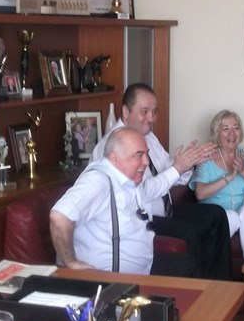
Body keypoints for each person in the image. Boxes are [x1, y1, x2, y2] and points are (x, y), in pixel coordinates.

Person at [92, 84, 231, 279]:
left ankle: (221, 287)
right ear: (126, 111)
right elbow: (141, 192)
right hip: (140, 219)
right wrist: (177, 168)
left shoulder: (148, 137)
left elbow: (169, 171)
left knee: (216, 215)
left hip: (166, 210)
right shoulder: (111, 147)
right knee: (189, 233)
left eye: (154, 112)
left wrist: (188, 163)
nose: (151, 118)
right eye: (145, 111)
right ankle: (198, 292)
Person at [49, 127, 195, 276]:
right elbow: (59, 216)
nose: (146, 162)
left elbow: (154, 187)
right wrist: (70, 262)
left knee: (187, 264)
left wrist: (178, 168)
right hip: (111, 279)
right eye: (139, 155)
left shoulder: (127, 179)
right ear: (115, 158)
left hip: (141, 271)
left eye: (147, 154)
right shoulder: (98, 181)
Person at [191, 110, 244, 260]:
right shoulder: (206, 158)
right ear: (216, 133)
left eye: (236, 128)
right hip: (216, 215)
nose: (232, 133)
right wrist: (229, 177)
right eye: (225, 128)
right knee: (232, 216)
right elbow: (200, 194)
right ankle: (211, 266)